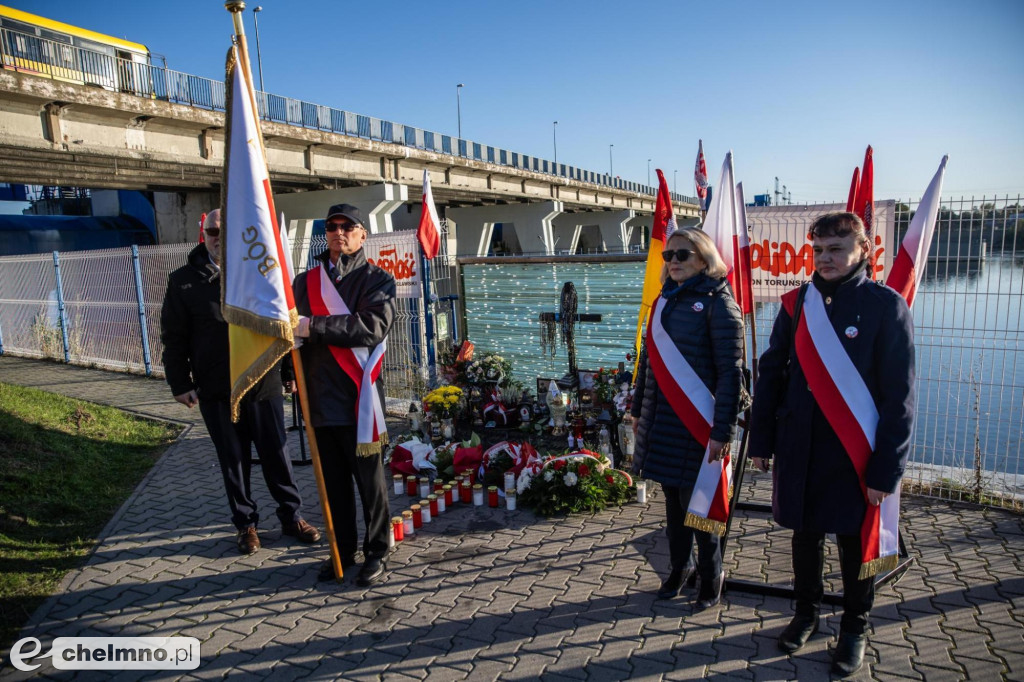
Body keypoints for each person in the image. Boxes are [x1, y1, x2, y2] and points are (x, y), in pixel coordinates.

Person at [749, 212, 915, 676]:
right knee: (805, 536)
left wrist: (887, 471)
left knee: (852, 544)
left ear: (863, 250)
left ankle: (854, 627)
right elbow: (773, 375)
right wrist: (761, 440)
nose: (824, 258)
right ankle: (806, 614)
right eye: (818, 250)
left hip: (853, 451)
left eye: (836, 249)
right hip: (799, 444)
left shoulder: (886, 307)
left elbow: (899, 399)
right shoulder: (797, 304)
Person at [161, 209, 321, 555]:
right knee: (233, 461)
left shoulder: (260, 273)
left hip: (263, 383)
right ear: (203, 233)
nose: (219, 236)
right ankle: (246, 525)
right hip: (217, 387)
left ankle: (291, 516)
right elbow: (173, 337)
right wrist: (179, 383)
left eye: (225, 230)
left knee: (277, 453)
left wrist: (292, 375)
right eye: (213, 230)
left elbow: (282, 327)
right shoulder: (183, 280)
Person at [631, 227, 744, 608]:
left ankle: (712, 575)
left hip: (699, 425)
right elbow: (648, 364)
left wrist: (722, 431)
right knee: (673, 506)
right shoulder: (663, 300)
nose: (674, 262)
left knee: (701, 506)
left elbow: (731, 375)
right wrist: (636, 411)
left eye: (683, 255)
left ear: (704, 259)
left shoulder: (720, 304)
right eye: (670, 256)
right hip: (662, 423)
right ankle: (680, 569)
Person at [292, 203, 396, 587]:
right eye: (332, 226)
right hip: (319, 398)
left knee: (370, 484)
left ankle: (378, 550)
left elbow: (370, 327)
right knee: (333, 485)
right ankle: (344, 547)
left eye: (348, 226)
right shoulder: (304, 282)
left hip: (359, 399)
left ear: (362, 234)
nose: (339, 232)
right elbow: (291, 336)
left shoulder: (377, 279)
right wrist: (291, 372)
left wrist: (312, 326)